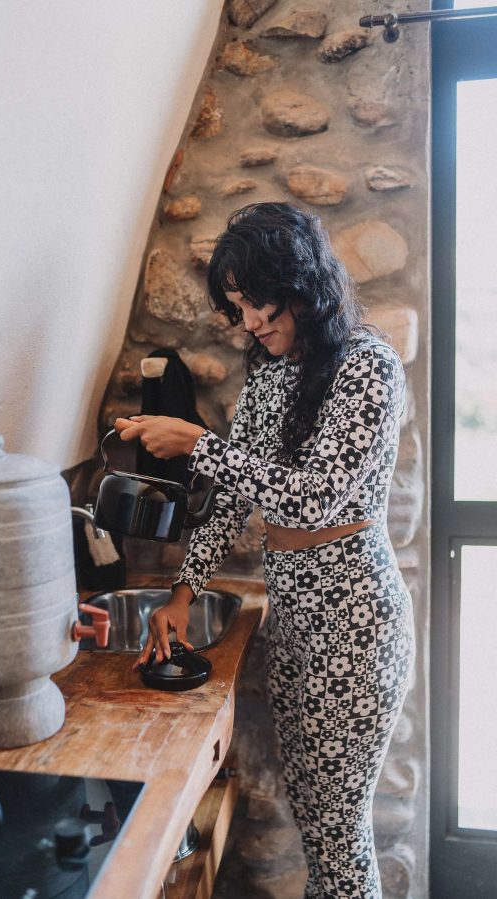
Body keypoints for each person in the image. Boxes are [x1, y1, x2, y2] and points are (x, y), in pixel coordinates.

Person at [114, 202, 415, 899]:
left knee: (339, 837)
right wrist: (182, 593)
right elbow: (231, 495)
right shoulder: (271, 371)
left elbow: (312, 500)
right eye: (237, 306)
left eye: (259, 301)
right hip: (297, 630)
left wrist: (198, 443)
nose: (249, 321)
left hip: (356, 631)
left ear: (304, 284)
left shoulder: (368, 368)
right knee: (319, 824)